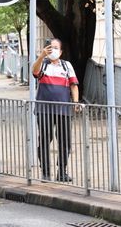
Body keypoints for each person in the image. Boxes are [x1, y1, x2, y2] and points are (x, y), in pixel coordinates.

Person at [31, 38, 80, 182]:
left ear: (61, 51)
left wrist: (75, 102)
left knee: (65, 141)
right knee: (45, 139)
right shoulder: (43, 64)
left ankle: (62, 172)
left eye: (56, 47)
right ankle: (45, 172)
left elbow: (74, 85)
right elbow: (34, 72)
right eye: (50, 47)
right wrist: (41, 56)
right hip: (44, 109)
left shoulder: (66, 66)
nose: (53, 50)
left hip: (63, 109)